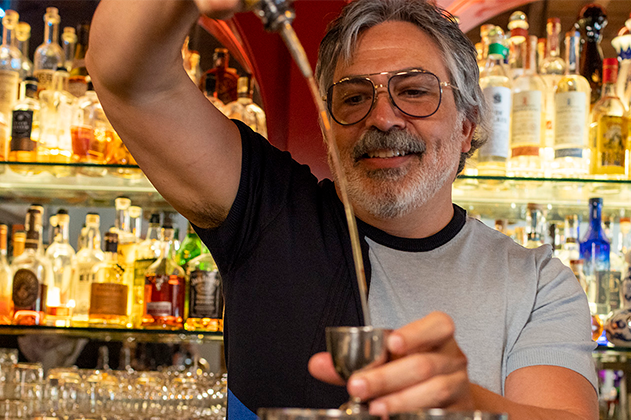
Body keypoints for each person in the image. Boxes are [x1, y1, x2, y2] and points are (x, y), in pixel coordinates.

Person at [88, 0, 598, 419]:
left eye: (415, 91)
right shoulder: (270, 214)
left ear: (467, 125)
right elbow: (126, 76)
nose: (382, 116)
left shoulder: (536, 283)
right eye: (353, 98)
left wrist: (465, 405)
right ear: (329, 130)